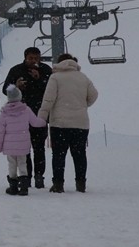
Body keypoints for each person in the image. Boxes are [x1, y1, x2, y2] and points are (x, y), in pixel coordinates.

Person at [37, 53, 98, 193]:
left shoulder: (55, 77)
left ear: (59, 63)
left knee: (58, 155)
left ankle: (58, 184)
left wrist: (41, 118)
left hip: (59, 124)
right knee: (80, 154)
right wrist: (83, 105)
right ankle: (81, 183)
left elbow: (48, 100)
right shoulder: (83, 77)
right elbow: (94, 95)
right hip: (80, 124)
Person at [2, 47, 52, 188]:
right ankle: (26, 176)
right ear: (25, 57)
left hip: (40, 115)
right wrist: (16, 86)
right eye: (31, 58)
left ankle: (39, 175)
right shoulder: (16, 70)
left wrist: (39, 79)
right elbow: (5, 89)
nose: (34, 61)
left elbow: (51, 90)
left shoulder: (46, 70)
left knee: (39, 147)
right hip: (21, 116)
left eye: (36, 58)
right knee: (24, 148)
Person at [0, 84, 46, 196]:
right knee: (23, 163)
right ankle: (24, 187)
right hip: (23, 144)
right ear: (20, 96)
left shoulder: (4, 112)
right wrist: (44, 121)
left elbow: (0, 130)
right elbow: (35, 122)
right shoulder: (26, 109)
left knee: (12, 164)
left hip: (10, 146)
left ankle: (13, 187)